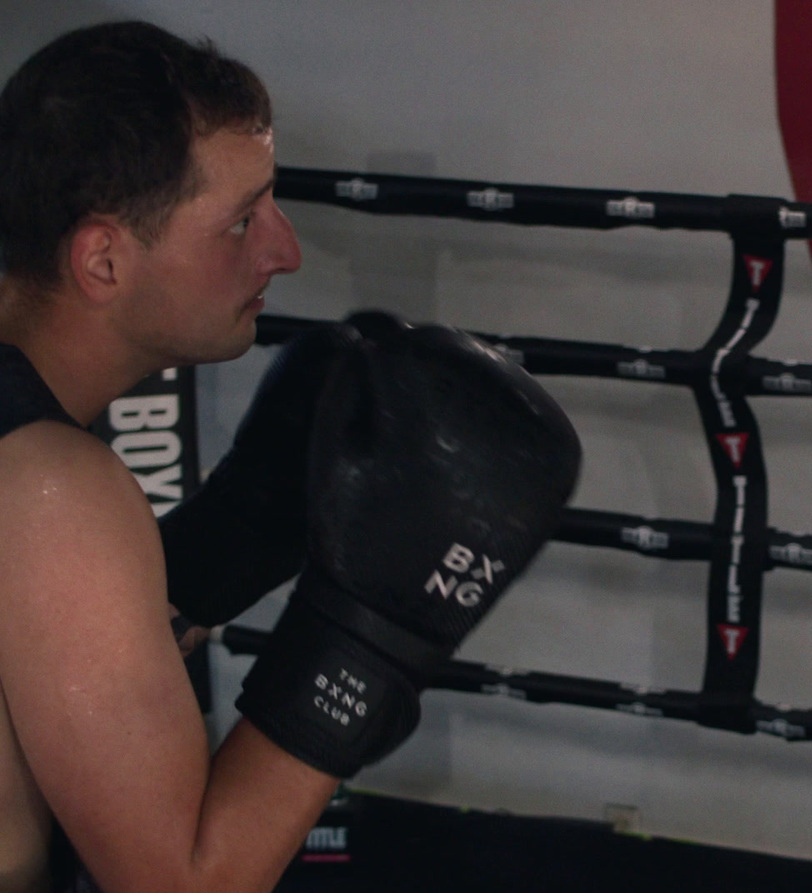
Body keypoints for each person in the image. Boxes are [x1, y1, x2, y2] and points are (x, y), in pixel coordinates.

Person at [0, 21, 581, 893]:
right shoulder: (48, 487)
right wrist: (368, 638)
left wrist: (241, 533)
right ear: (104, 260)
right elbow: (182, 885)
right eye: (239, 222)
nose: (284, 249)